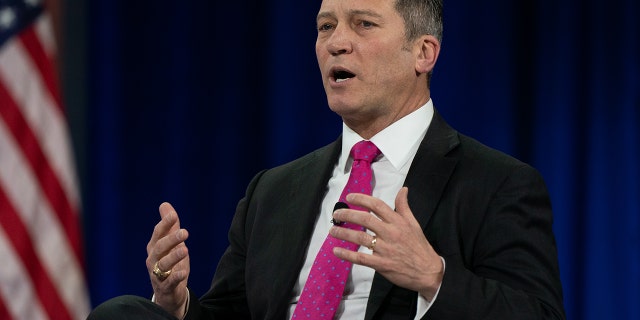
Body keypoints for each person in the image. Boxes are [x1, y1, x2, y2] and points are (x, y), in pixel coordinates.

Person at [88, 0, 565, 319]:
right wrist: (179, 304)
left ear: (423, 52)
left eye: (363, 24)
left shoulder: (498, 183)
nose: (336, 42)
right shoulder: (272, 190)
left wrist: (432, 276)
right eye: (325, 26)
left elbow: (538, 314)